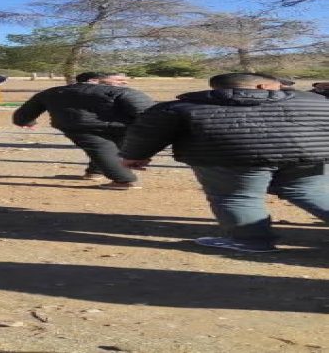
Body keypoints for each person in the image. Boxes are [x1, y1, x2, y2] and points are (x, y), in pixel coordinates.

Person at [120, 72, 329, 253]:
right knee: (311, 191)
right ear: (261, 86)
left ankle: (250, 241)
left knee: (237, 197)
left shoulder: (179, 107)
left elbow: (146, 134)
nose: (283, 88)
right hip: (308, 157)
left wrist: (135, 156)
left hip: (227, 160)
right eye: (278, 85)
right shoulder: (316, 102)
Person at [12, 71, 154, 190]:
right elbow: (146, 111)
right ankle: (124, 180)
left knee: (101, 150)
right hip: (121, 126)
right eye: (118, 80)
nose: (124, 82)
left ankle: (95, 172)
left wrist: (24, 121)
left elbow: (27, 110)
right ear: (93, 80)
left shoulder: (51, 92)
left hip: (77, 126)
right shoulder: (126, 93)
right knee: (105, 150)